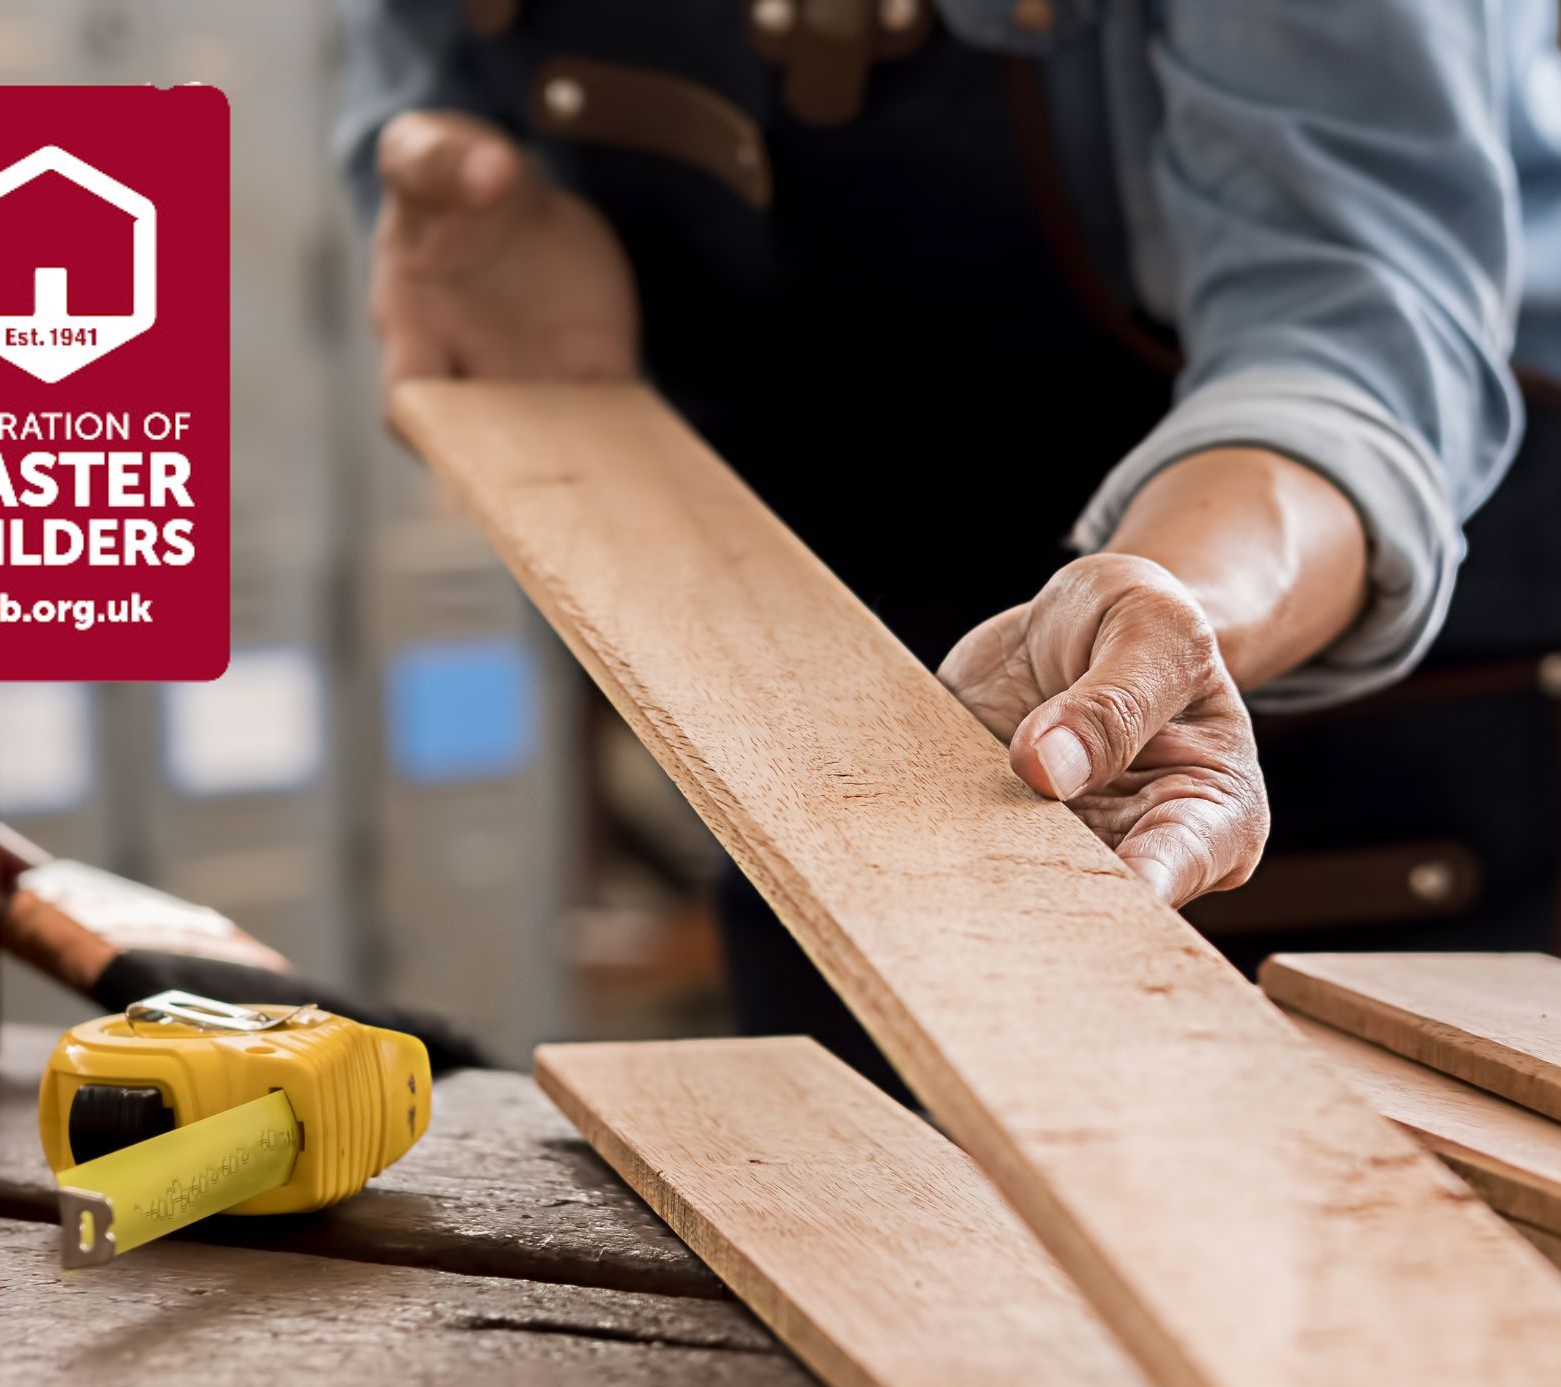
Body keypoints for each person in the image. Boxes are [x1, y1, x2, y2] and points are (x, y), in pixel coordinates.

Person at [342, 1, 1561, 1087]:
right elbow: (423, 69)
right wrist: (469, 190)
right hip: (829, 688)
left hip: (1306, 667)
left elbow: (1347, 339)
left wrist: (1168, 608)